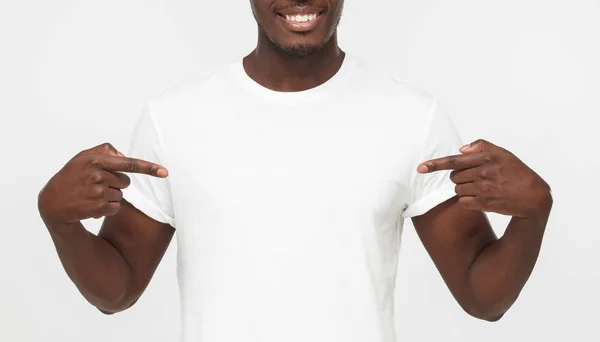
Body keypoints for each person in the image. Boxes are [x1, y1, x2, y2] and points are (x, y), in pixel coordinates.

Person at [37, 1, 553, 341]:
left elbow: (483, 298)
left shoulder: (411, 117)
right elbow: (117, 291)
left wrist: (533, 214)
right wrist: (60, 223)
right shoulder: (174, 118)